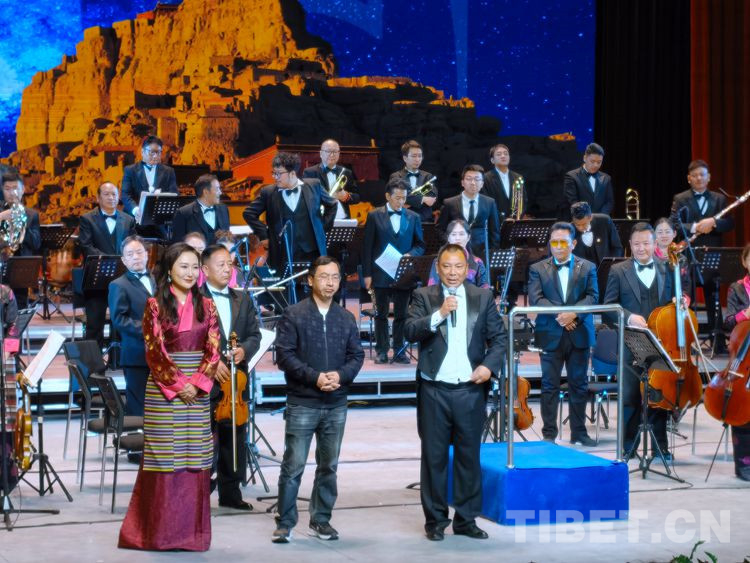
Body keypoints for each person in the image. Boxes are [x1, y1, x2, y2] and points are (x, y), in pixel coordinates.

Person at [118, 243, 220, 552]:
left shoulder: (208, 305)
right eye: (183, 266)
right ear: (169, 270)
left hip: (198, 392)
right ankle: (160, 535)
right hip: (165, 392)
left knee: (195, 458)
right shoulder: (154, 304)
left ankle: (191, 535)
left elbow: (214, 349)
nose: (190, 273)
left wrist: (198, 383)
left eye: (194, 267)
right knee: (164, 459)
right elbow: (155, 351)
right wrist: (179, 385)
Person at [405, 244, 505, 541]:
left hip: (469, 390)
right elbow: (409, 331)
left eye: (458, 266)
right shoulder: (424, 296)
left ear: (467, 269)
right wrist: (439, 314)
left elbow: (499, 339)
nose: (452, 272)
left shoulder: (482, 297)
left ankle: (466, 519)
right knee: (434, 458)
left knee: (468, 457)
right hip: (434, 390)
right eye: (447, 266)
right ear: (438, 268)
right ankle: (435, 521)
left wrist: (488, 367)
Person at [272, 256, 364, 543]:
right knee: (293, 465)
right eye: (324, 277)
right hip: (303, 402)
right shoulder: (294, 314)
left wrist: (340, 376)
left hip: (336, 403)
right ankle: (285, 522)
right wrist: (315, 377)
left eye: (335, 277)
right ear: (310, 280)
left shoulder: (345, 317)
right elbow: (284, 355)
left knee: (329, 466)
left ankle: (321, 520)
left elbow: (356, 355)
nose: (330, 283)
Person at [602, 223, 677, 459]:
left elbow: (674, 301)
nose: (641, 248)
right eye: (637, 244)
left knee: (658, 395)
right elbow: (608, 308)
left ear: (655, 244)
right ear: (630, 245)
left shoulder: (668, 267)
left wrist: (681, 301)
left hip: (660, 341)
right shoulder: (618, 270)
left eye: (646, 243)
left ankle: (660, 448)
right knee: (630, 396)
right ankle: (628, 447)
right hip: (630, 342)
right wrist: (628, 317)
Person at [200, 244, 261, 510]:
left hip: (236, 382)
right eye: (221, 264)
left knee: (233, 437)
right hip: (205, 381)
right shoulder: (194, 300)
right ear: (205, 269)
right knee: (202, 439)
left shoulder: (242, 298)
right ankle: (198, 493)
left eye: (230, 264)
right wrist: (211, 364)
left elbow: (255, 335)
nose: (227, 269)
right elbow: (190, 341)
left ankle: (230, 493)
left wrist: (244, 350)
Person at [528, 222, 598, 446]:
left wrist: (574, 314)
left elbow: (593, 296)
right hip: (550, 333)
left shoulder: (588, 267)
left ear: (573, 243)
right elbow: (536, 299)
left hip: (579, 332)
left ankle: (579, 432)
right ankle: (549, 434)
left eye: (563, 242)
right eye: (554, 242)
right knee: (549, 385)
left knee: (579, 384)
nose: (558, 247)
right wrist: (563, 315)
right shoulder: (537, 268)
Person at [669, 160, 734, 345]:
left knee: (713, 296)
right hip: (688, 254)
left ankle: (718, 342)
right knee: (686, 297)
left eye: (702, 175)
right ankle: (686, 341)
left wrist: (714, 223)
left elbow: (730, 223)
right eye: (695, 175)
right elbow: (673, 223)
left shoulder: (719, 199)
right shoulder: (680, 198)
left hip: (712, 255)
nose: (699, 178)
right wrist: (695, 227)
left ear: (709, 177)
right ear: (689, 178)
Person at [243, 152, 337, 274]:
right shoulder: (268, 192)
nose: (275, 177)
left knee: (315, 281)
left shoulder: (314, 185)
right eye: (273, 173)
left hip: (312, 251)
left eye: (279, 173)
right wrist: (264, 235)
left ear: (292, 173)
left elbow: (332, 204)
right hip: (282, 253)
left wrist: (322, 227)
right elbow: (248, 213)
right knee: (286, 284)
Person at [362, 183, 425, 364]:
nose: (401, 201)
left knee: (402, 314)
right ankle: (382, 350)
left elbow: (420, 244)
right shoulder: (374, 215)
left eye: (404, 198)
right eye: (398, 197)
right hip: (380, 272)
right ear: (388, 196)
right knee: (381, 314)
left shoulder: (413, 216)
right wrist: (367, 274)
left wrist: (410, 255)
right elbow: (367, 247)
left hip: (404, 273)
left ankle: (399, 350)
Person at [78, 182, 137, 347]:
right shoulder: (87, 219)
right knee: (94, 325)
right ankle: (94, 362)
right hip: (96, 280)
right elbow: (86, 247)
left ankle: (116, 359)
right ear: (98, 198)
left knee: (121, 324)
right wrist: (112, 261)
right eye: (106, 194)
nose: (111, 197)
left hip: (122, 280)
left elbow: (132, 246)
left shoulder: (128, 220)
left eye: (114, 194)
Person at [108, 236, 155, 417]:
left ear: (147, 254)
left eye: (139, 252)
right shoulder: (118, 285)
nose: (135, 257)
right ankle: (137, 435)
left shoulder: (157, 279)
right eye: (130, 254)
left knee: (158, 405)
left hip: (161, 353)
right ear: (123, 260)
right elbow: (119, 319)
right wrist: (149, 330)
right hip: (136, 353)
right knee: (138, 407)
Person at [722, 243, 750, 481]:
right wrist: (745, 315)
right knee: (741, 410)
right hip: (743, 357)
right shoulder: (737, 288)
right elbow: (728, 321)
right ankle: (743, 464)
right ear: (745, 261)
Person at [436, 164, 501, 258]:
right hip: (455, 252)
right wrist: (450, 244)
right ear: (462, 182)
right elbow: (440, 229)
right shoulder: (450, 203)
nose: (473, 182)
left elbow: (494, 231)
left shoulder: (490, 202)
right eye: (469, 179)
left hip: (482, 253)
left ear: (482, 183)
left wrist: (491, 253)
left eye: (477, 179)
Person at [0, 172, 42, 309]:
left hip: (20, 270)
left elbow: (36, 243)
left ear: (22, 190)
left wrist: (21, 225)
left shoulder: (31, 215)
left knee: (20, 307)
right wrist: (2, 217)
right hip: (1, 266)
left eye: (15, 188)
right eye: (7, 189)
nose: (12, 193)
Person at [121, 135, 178, 223]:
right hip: (134, 220)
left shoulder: (168, 171)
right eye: (152, 152)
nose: (155, 156)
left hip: (159, 220)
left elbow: (174, 194)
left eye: (158, 152)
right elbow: (125, 195)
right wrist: (136, 210)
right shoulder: (130, 170)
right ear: (142, 152)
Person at [302, 139, 360, 220]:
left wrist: (346, 196)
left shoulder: (346, 172)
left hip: (343, 219)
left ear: (339, 154)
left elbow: (357, 197)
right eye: (328, 151)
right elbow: (306, 198)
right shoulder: (310, 172)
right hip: (321, 220)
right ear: (321, 154)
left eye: (335, 151)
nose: (332, 155)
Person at [428, 219, 489, 288]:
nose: (457, 238)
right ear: (448, 238)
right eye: (453, 234)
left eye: (461, 234)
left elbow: (485, 289)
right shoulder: (438, 261)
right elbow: (432, 288)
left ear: (468, 237)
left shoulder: (477, 262)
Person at [387, 140, 438, 223]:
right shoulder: (396, 177)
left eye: (420, 156)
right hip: (402, 220)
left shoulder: (428, 176)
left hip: (424, 221)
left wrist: (407, 201)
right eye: (414, 156)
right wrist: (423, 199)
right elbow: (397, 197)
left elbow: (431, 199)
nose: (417, 159)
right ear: (405, 158)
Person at [172, 174, 229, 245]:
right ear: (206, 192)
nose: (220, 192)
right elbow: (178, 246)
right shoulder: (184, 213)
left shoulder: (223, 209)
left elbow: (227, 239)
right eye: (217, 189)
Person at [563, 143, 614, 217]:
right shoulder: (571, 176)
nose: (596, 165)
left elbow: (609, 202)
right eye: (592, 161)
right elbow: (573, 201)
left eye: (599, 162)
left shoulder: (606, 178)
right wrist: (587, 218)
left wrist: (599, 217)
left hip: (601, 220)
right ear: (584, 158)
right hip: (579, 220)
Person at [481, 143, 528, 221]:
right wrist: (503, 219)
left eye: (506, 154)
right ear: (492, 160)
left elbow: (523, 200)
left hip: (515, 222)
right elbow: (486, 203)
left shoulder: (518, 177)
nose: (503, 156)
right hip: (494, 222)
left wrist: (516, 217)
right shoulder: (486, 178)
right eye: (499, 154)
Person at [569, 201, 623, 266]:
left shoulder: (605, 221)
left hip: (606, 268)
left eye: (584, 224)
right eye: (577, 225)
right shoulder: (569, 230)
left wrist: (611, 266)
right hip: (581, 270)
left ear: (590, 217)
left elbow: (617, 248)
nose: (580, 228)